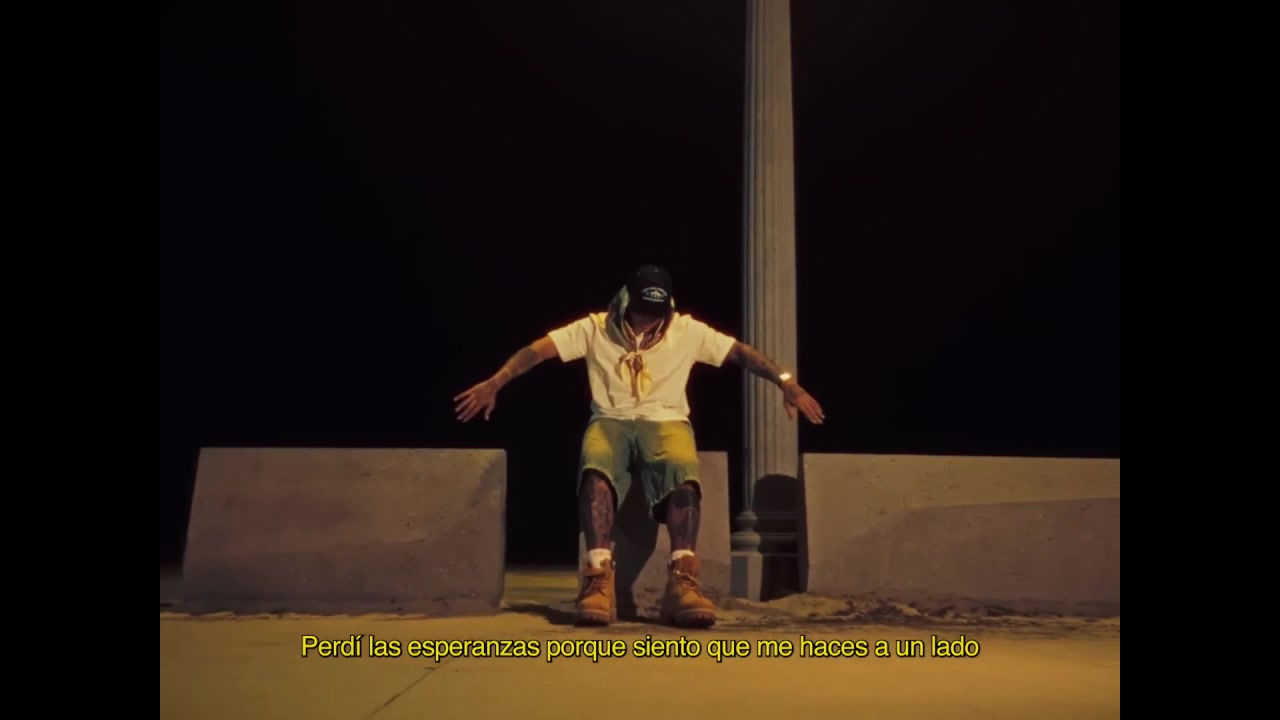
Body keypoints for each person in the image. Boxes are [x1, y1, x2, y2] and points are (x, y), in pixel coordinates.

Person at [454, 265, 825, 628]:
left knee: (683, 472)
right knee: (596, 466)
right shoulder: (595, 327)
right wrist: (496, 382)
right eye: (643, 311)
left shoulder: (686, 330)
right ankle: (598, 579)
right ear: (625, 300)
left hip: (666, 420)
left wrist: (786, 382)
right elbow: (537, 351)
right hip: (611, 418)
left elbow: (740, 353)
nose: (649, 320)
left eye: (657, 313)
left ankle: (683, 581)